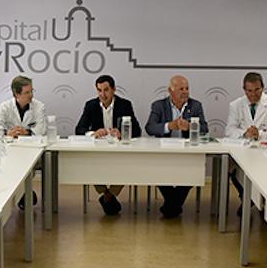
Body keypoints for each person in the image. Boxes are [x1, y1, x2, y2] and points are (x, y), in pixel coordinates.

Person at [75, 75, 140, 216]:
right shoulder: (91, 105)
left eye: (106, 90)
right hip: (98, 151)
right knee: (89, 164)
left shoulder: (125, 105)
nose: (102, 95)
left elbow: (137, 130)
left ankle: (109, 195)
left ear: (113, 90)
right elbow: (79, 129)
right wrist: (93, 133)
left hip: (120, 151)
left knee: (128, 165)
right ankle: (106, 193)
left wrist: (123, 133)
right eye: (99, 90)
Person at [146, 75, 209, 218]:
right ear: (170, 91)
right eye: (181, 89)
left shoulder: (196, 105)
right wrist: (169, 126)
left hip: (188, 153)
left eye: (187, 88)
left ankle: (171, 205)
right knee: (158, 171)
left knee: (193, 171)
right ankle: (174, 205)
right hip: (164, 152)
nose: (185, 92)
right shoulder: (159, 106)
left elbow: (205, 128)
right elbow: (150, 128)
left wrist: (191, 126)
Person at [225, 71, 267, 140]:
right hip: (242, 148)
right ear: (244, 90)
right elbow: (229, 131)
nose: (253, 94)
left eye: (257, 90)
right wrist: (245, 133)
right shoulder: (235, 105)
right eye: (249, 90)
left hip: (266, 148)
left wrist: (259, 134)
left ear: (262, 88)